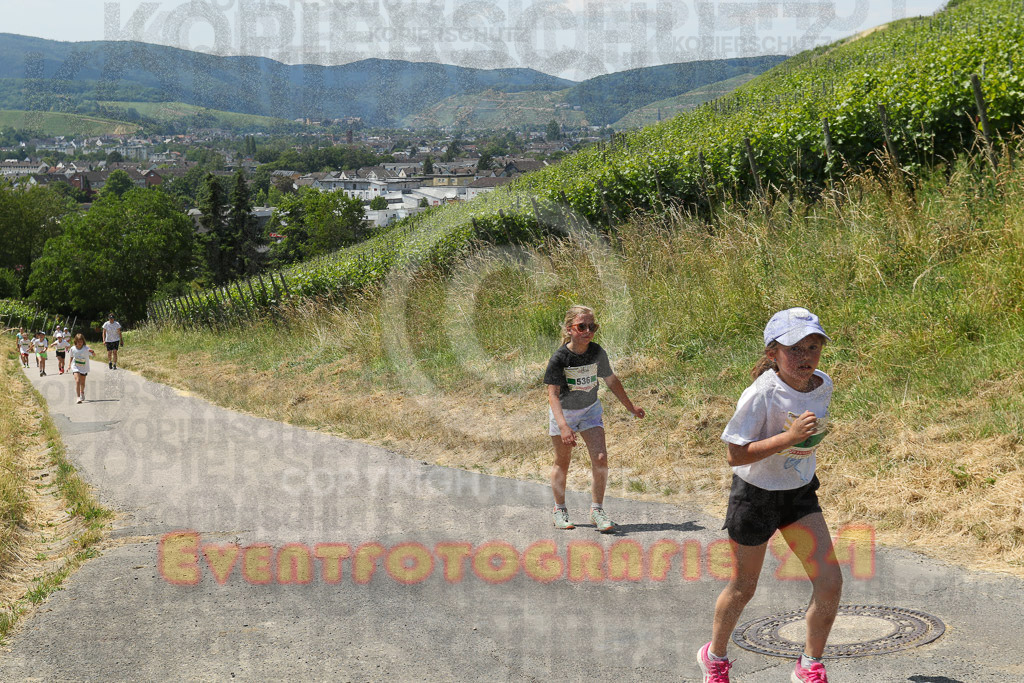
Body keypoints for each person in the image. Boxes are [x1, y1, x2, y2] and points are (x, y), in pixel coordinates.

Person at [697, 308, 842, 683]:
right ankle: (714, 656)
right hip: (756, 497)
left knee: (830, 581)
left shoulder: (822, 384)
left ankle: (809, 666)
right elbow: (735, 454)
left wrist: (806, 440)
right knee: (744, 587)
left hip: (799, 495)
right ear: (772, 353)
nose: (805, 357)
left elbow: (807, 437)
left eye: (813, 347)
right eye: (794, 349)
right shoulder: (761, 393)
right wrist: (789, 439)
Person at [543, 305, 645, 533]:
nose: (588, 330)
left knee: (600, 457)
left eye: (592, 326)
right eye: (582, 326)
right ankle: (559, 510)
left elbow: (611, 381)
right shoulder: (560, 358)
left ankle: (597, 510)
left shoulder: (597, 352)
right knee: (563, 461)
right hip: (565, 413)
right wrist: (563, 426)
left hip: (590, 410)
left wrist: (631, 407)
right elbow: (553, 395)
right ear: (569, 329)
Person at [68, 334, 95, 404]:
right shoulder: (72, 348)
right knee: (77, 381)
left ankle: (82, 392)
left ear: (83, 341)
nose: (80, 343)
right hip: (75, 367)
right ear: (75, 341)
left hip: (84, 367)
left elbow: (94, 355)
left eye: (81, 341)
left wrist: (93, 352)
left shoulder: (86, 348)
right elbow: (71, 356)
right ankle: (78, 397)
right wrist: (69, 365)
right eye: (78, 341)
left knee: (82, 383)